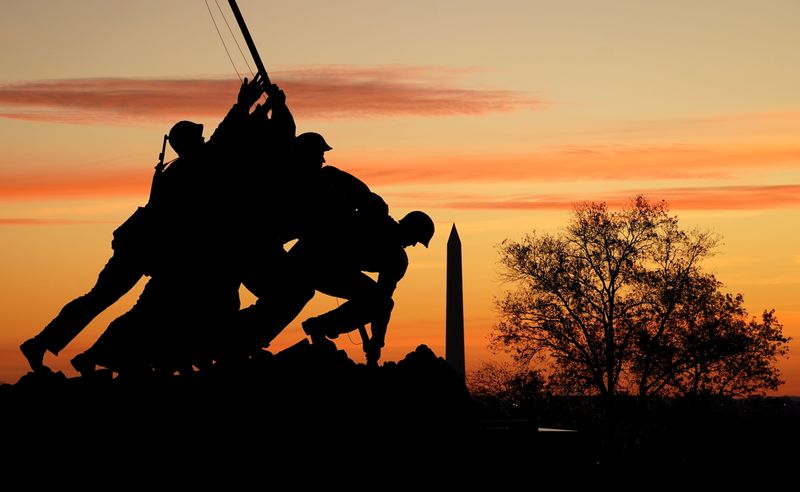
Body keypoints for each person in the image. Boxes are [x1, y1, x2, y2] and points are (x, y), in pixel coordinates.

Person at [21, 75, 266, 374]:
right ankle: (53, 345)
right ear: (188, 145)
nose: (203, 141)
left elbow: (221, 142)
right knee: (110, 300)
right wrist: (244, 107)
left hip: (145, 249)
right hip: (143, 250)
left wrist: (250, 113)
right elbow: (222, 140)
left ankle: (50, 345)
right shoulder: (186, 170)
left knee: (109, 300)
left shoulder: (181, 169)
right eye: (197, 139)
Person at [298, 210, 435, 366]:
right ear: (410, 229)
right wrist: (376, 342)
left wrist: (376, 340)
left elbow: (381, 299)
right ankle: (320, 326)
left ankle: (320, 326)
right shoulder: (388, 243)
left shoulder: (392, 250)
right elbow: (382, 302)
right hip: (320, 263)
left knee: (377, 301)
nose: (414, 244)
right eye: (416, 238)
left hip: (326, 267)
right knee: (380, 302)